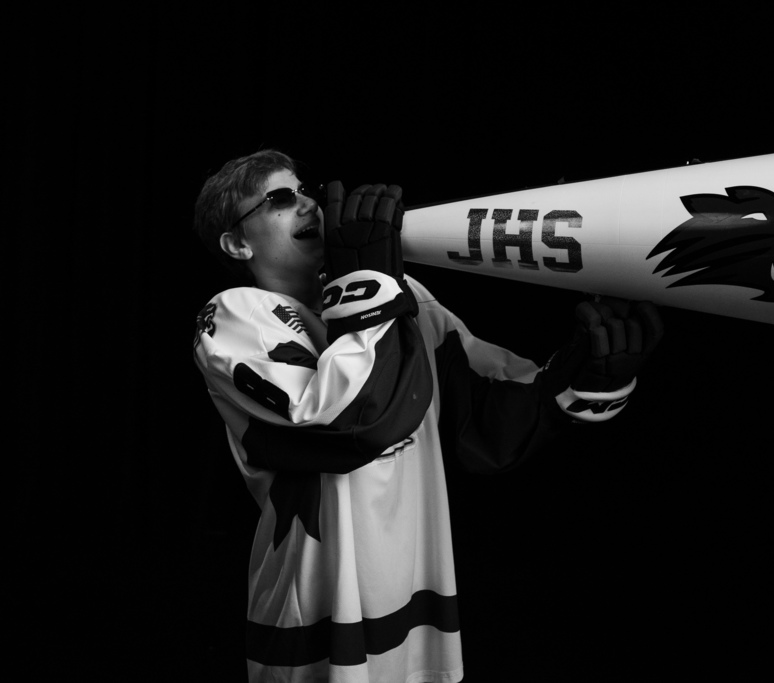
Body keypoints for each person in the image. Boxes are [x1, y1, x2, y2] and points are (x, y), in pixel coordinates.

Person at [192, 149, 662, 682]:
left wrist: (580, 377)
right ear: (237, 242)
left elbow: (482, 415)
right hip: (316, 605)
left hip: (417, 597)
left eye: (306, 192)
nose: (306, 205)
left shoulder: (402, 294)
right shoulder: (232, 315)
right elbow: (350, 423)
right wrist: (369, 278)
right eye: (280, 199)